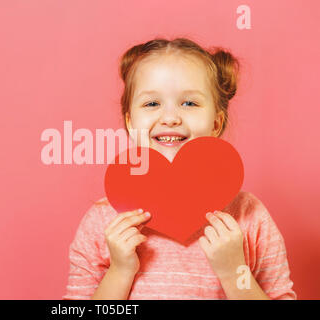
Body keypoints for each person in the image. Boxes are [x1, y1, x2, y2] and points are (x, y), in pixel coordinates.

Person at [62, 37, 296, 300]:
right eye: (152, 104)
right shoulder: (103, 220)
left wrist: (234, 272)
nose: (171, 117)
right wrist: (119, 270)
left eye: (189, 103)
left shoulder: (249, 216)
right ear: (130, 122)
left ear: (216, 123)